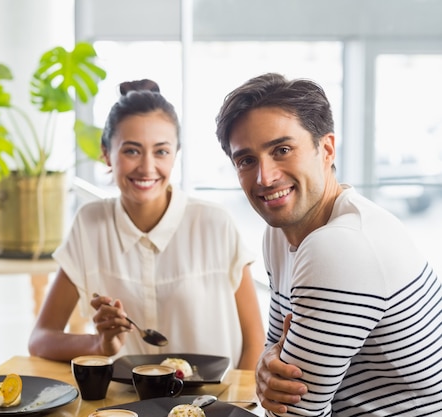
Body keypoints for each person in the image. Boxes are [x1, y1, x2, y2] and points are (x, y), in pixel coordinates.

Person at [215, 72, 442, 416]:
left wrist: (272, 376)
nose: (265, 177)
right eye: (246, 160)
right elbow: (275, 368)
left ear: (326, 149)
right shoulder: (280, 233)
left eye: (282, 150)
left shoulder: (341, 247)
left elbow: (294, 412)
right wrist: (266, 368)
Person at [28, 79, 265, 368]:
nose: (147, 167)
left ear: (175, 154)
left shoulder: (214, 223)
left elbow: (255, 342)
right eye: (131, 151)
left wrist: (237, 407)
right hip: (123, 408)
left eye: (161, 151)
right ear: (106, 154)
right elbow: (40, 339)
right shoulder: (90, 224)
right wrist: (101, 345)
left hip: (211, 406)